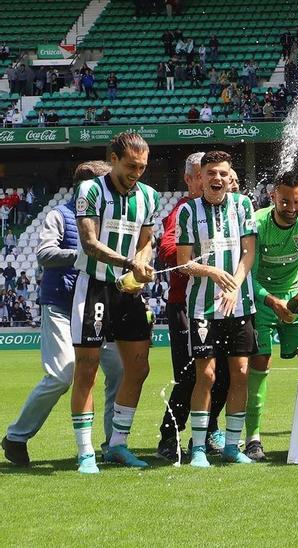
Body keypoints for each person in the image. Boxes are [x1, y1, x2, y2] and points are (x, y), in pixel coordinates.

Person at [2, 162, 125, 467]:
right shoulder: (59, 215)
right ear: (87, 187)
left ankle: (113, 445)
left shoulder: (109, 219)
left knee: (120, 370)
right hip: (60, 305)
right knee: (61, 375)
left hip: (97, 306)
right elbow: (44, 254)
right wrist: (85, 252)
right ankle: (16, 437)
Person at [69, 132, 160, 473]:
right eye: (131, 165)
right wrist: (128, 263)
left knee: (138, 367)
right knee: (88, 369)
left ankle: (118, 446)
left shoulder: (149, 196)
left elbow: (146, 241)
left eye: (143, 166)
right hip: (94, 285)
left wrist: (141, 265)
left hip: (128, 289)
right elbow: (90, 243)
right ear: (113, 159)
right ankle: (85, 452)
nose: (137, 172)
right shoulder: (90, 190)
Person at [174, 151, 258, 467]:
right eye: (211, 173)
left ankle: (232, 446)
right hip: (202, 307)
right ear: (202, 177)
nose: (217, 179)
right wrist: (211, 272)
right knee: (206, 375)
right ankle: (197, 448)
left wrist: (234, 285)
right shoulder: (188, 212)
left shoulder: (243, 206)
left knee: (240, 373)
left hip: (240, 304)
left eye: (223, 173)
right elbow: (183, 263)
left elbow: (248, 253)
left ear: (229, 176)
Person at [243, 170, 298, 460]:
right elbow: (247, 276)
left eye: (297, 202)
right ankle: (253, 438)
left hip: (296, 294)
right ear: (273, 197)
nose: (292, 209)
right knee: (260, 361)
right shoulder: (256, 223)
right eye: (285, 202)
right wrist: (271, 301)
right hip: (263, 299)